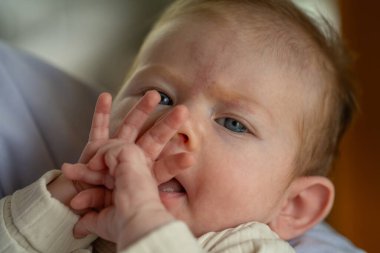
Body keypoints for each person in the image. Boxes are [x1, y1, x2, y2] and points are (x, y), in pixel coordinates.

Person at [0, 0, 359, 252]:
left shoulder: (252, 247)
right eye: (160, 95)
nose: (176, 124)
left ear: (293, 206)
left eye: (233, 123)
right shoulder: (77, 219)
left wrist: (144, 222)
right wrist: (61, 203)